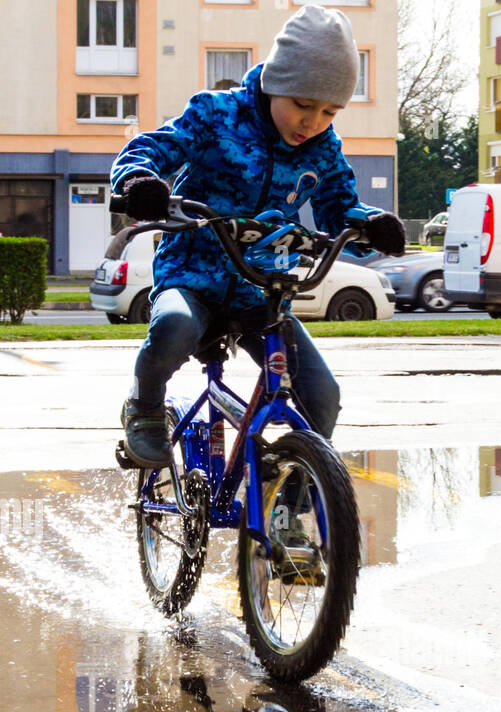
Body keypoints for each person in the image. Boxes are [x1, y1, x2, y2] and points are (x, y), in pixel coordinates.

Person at [111, 5, 404, 468]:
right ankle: (144, 407)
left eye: (330, 111)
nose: (313, 122)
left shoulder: (323, 146)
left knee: (322, 395)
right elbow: (151, 148)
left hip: (260, 292)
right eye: (303, 105)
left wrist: (368, 224)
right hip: (192, 276)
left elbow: (338, 206)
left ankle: (291, 487)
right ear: (275, 84)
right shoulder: (216, 114)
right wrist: (139, 182)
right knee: (175, 326)